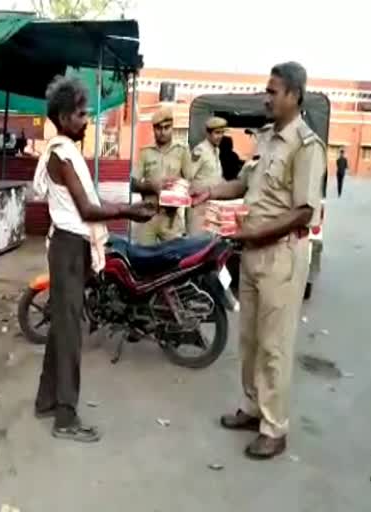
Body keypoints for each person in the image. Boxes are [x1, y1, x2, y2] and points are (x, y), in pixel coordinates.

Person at [191, 62, 325, 460]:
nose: (267, 98)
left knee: (274, 346)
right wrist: (208, 193)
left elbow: (304, 211)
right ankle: (253, 409)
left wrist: (253, 233)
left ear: (294, 96)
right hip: (250, 253)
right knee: (248, 339)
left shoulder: (306, 146)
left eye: (274, 91)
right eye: (266, 90)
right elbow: (244, 184)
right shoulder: (266, 139)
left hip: (281, 256)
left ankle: (275, 427)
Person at [32, 76, 155, 442]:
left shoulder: (66, 150)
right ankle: (65, 417)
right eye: (82, 114)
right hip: (69, 247)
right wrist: (129, 212)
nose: (87, 120)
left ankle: (46, 400)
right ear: (65, 117)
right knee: (70, 333)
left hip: (72, 247)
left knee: (62, 326)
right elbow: (87, 208)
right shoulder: (62, 153)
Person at [134, 107, 192, 245]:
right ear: (153, 129)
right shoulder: (145, 152)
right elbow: (133, 183)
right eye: (158, 128)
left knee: (173, 260)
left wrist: (176, 189)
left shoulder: (182, 151)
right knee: (144, 258)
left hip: (171, 218)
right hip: (148, 215)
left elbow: (190, 183)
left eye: (167, 127)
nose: (163, 132)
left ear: (172, 127)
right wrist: (150, 186)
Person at [188, 116, 227, 234]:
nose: (220, 136)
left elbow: (215, 176)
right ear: (208, 133)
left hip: (212, 205)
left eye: (222, 133)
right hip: (199, 206)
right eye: (217, 133)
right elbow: (188, 176)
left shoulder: (216, 151)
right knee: (197, 241)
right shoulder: (200, 151)